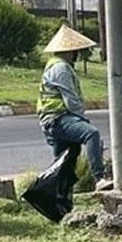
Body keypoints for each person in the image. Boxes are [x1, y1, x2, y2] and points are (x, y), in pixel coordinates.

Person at [36, 25, 108, 188]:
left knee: (64, 161)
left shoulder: (55, 65)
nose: (77, 54)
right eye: (76, 51)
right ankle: (99, 178)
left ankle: (51, 195)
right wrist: (82, 121)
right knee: (91, 134)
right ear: (69, 51)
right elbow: (71, 101)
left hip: (51, 119)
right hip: (59, 117)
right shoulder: (61, 69)